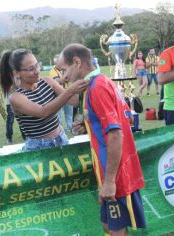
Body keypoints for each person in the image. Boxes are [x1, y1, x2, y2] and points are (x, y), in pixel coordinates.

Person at [59, 43, 146, 235]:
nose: (64, 77)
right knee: (108, 225)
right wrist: (90, 125)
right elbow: (125, 118)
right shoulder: (102, 81)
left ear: (76, 62)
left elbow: (115, 134)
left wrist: (109, 182)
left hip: (116, 173)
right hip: (113, 170)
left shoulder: (97, 88)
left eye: (64, 70)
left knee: (116, 229)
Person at [0, 48, 89, 151]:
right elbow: (43, 112)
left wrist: (87, 82)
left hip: (61, 138)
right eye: (31, 69)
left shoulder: (48, 82)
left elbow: (75, 101)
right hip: (38, 147)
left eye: (37, 65)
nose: (37, 71)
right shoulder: (15, 97)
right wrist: (70, 90)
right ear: (17, 73)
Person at [49, 54, 73, 131]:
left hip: (69, 94)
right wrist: (67, 77)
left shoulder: (66, 69)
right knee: (59, 115)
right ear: (56, 63)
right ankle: (59, 130)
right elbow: (57, 81)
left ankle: (69, 128)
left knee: (69, 113)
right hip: (58, 96)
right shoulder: (52, 71)